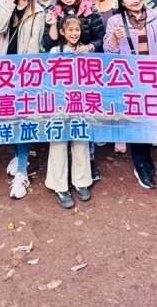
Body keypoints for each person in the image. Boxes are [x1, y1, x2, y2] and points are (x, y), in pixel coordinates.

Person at [104, 0, 157, 189]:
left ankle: (147, 157)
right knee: (135, 120)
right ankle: (140, 163)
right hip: (130, 79)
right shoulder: (116, 21)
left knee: (150, 118)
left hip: (153, 76)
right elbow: (110, 54)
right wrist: (115, 41)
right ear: (123, 2)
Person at [43, 0, 106, 180]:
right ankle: (60, 174)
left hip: (86, 72)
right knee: (62, 118)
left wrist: (89, 47)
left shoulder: (90, 9)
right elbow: (48, 44)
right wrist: (52, 23)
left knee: (84, 117)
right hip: (62, 76)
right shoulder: (54, 12)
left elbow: (101, 39)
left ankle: (87, 163)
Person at [0, 0, 47, 199]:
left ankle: (22, 172)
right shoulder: (8, 6)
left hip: (25, 72)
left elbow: (34, 45)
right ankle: (18, 155)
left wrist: (28, 76)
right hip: (5, 70)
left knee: (24, 118)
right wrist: (7, 3)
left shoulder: (39, 11)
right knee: (9, 116)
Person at [45, 16, 94, 209]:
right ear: (62, 32)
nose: (74, 33)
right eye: (70, 30)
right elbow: (48, 77)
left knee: (81, 140)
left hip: (81, 103)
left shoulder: (87, 51)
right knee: (58, 142)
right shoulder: (55, 51)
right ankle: (59, 186)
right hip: (59, 104)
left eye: (77, 30)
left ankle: (81, 182)